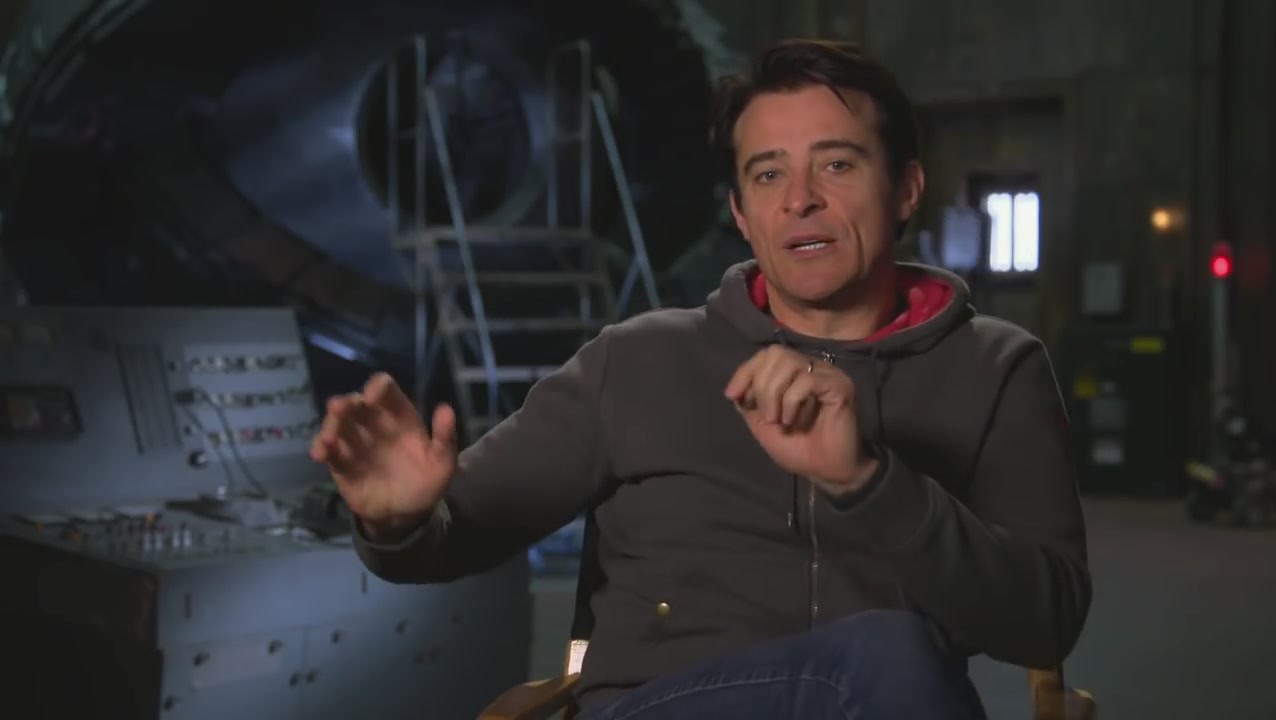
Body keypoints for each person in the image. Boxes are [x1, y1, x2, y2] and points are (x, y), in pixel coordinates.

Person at [311, 38, 1092, 720]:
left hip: (877, 701)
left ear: (907, 189)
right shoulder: (637, 362)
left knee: (892, 656)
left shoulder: (996, 369)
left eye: (837, 164)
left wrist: (867, 482)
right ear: (742, 215)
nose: (800, 200)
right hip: (659, 705)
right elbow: (450, 535)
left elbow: (1046, 621)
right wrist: (398, 523)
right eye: (768, 174)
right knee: (893, 655)